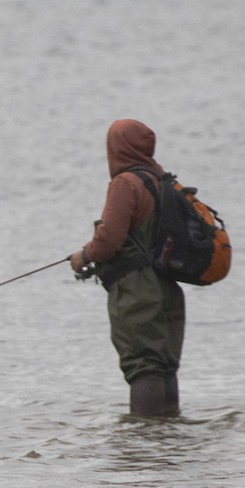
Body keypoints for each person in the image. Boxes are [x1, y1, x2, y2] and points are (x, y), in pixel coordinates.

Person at [70, 119, 184, 417]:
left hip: (137, 289)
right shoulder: (163, 181)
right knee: (164, 365)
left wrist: (83, 256)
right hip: (166, 285)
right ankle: (169, 439)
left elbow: (108, 241)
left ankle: (142, 445)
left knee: (143, 365)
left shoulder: (125, 184)